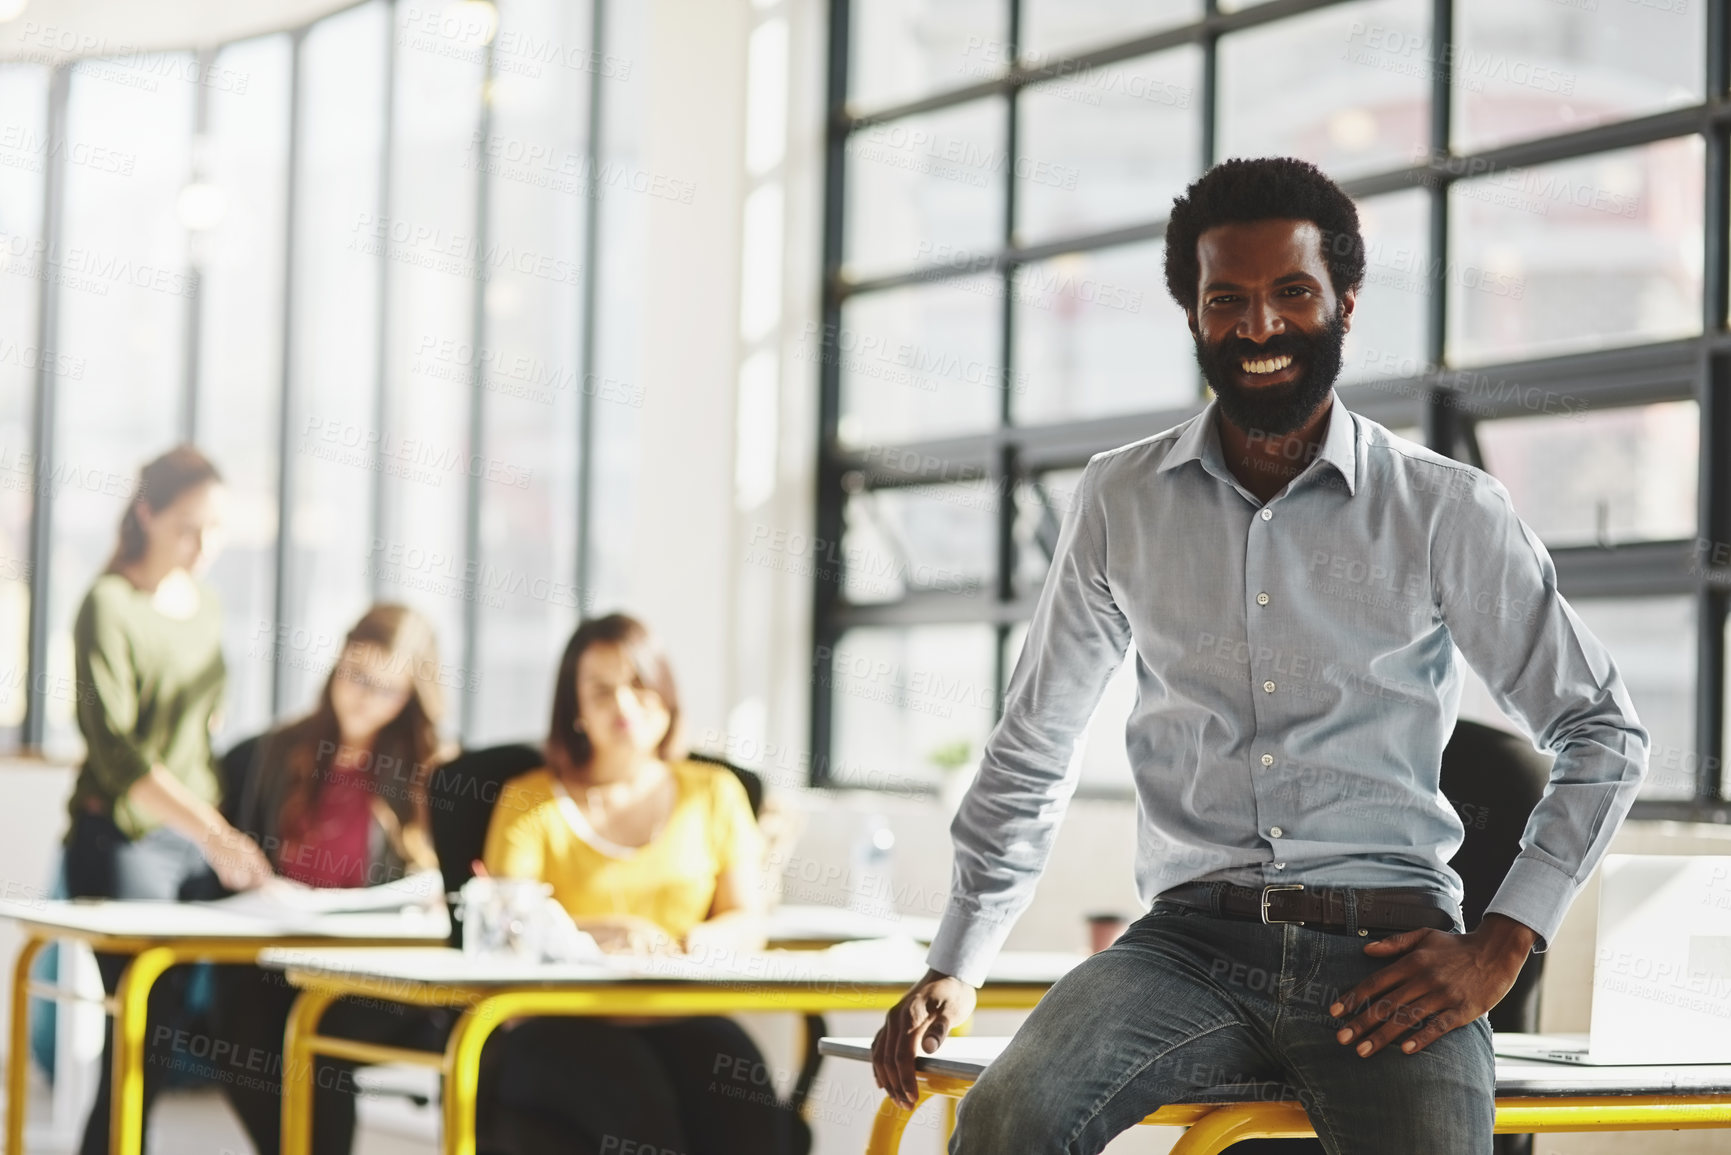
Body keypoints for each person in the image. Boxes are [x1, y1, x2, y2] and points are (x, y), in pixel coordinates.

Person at [869, 157, 1649, 1155]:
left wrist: (1502, 944)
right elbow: (1035, 743)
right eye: (1225, 300)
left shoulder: (1444, 510)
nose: (1260, 326)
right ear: (1192, 316)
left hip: (1389, 948)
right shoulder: (1121, 501)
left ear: (1345, 305)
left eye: (1292, 293)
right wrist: (958, 961)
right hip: (1186, 946)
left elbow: (1604, 731)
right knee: (1008, 1120)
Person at [476, 613, 807, 1155]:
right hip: (555, 1019)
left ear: (666, 694)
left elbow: (748, 919)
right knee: (633, 1102)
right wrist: (602, 933)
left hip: (675, 1007)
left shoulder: (715, 792)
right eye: (600, 691)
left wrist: (701, 941)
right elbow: (505, 927)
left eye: (637, 684)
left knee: (739, 1081)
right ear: (575, 711)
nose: (623, 705)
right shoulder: (528, 801)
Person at [63, 445, 276, 1155]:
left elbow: (200, 727)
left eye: (215, 528)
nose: (203, 544)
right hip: (123, 841)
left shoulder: (206, 604)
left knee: (198, 1029)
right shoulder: (107, 605)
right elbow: (119, 752)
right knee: (141, 1038)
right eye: (188, 526)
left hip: (197, 840)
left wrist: (219, 835)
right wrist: (215, 833)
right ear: (147, 513)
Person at [212, 603, 454, 1155]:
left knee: (324, 1035)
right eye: (354, 674)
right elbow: (249, 855)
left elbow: (444, 882)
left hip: (380, 970)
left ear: (411, 695)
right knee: (234, 1027)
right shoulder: (283, 749)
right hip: (286, 954)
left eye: (384, 687)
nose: (362, 696)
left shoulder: (430, 767)